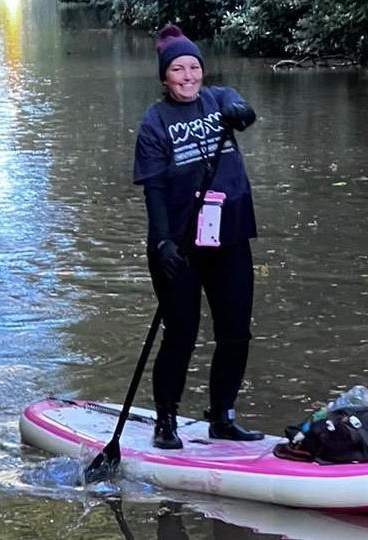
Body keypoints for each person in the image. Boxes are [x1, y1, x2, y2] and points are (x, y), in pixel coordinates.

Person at [133, 24, 263, 449]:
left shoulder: (219, 98)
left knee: (235, 333)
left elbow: (243, 110)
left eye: (194, 67)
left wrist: (242, 112)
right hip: (180, 246)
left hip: (229, 239)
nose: (188, 76)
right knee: (181, 334)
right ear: (164, 77)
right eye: (177, 69)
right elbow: (154, 189)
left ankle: (222, 416)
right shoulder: (155, 122)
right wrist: (162, 243)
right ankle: (166, 420)